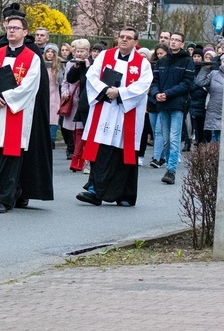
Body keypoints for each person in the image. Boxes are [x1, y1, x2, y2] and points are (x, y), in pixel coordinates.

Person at [76, 27, 152, 207]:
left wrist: (120, 92)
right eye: (121, 36)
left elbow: (143, 86)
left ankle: (125, 195)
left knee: (123, 154)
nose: (124, 40)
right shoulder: (105, 56)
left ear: (135, 42)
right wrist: (105, 90)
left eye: (128, 38)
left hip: (127, 113)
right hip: (104, 111)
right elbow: (92, 75)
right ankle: (95, 190)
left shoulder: (142, 64)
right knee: (101, 151)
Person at [0, 14, 43, 213]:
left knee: (11, 155)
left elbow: (30, 87)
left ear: (25, 32)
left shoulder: (32, 58)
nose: (11, 31)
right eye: (9, 28)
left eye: (15, 28)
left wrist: (4, 97)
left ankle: (4, 199)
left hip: (16, 112)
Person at [149, 32, 194, 185]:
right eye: (172, 40)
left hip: (177, 104)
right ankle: (169, 164)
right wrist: (156, 93)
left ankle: (171, 169)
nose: (174, 42)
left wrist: (167, 94)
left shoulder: (187, 61)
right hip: (162, 104)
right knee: (166, 139)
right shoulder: (162, 61)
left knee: (174, 138)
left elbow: (187, 84)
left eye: (177, 40)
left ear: (182, 44)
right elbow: (154, 81)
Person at [61, 39, 91, 173]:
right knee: (74, 131)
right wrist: (65, 91)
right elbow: (67, 80)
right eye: (77, 51)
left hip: (85, 101)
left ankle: (78, 159)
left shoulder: (92, 64)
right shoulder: (71, 64)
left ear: (88, 52)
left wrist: (87, 66)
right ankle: (77, 156)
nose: (79, 54)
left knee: (81, 131)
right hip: (72, 100)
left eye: (82, 51)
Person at [198, 55, 224, 143]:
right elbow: (200, 82)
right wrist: (206, 68)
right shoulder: (214, 73)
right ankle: (214, 155)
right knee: (214, 136)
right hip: (214, 108)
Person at [43, 43, 64, 149]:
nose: (50, 54)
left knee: (54, 118)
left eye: (52, 52)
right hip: (43, 94)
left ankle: (51, 139)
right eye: (48, 52)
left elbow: (61, 81)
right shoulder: (41, 65)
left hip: (54, 95)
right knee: (44, 116)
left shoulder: (58, 67)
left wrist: (58, 69)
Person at [189, 47, 208, 146]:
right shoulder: (191, 68)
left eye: (198, 56)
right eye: (194, 56)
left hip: (201, 100)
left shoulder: (204, 69)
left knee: (202, 125)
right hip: (193, 100)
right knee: (194, 124)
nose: (196, 58)